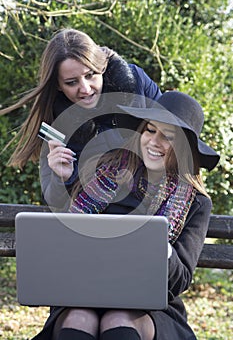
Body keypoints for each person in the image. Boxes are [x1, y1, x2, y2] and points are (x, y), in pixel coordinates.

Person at [31, 91, 220, 340]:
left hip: (150, 305)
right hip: (84, 290)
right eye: (150, 130)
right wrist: (61, 178)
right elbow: (69, 231)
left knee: (117, 318)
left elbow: (180, 279)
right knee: (79, 318)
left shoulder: (196, 202)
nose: (154, 141)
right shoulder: (108, 171)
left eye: (168, 137)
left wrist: (157, 244)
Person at [5, 28, 162, 210]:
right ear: (57, 85)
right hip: (97, 217)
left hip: (153, 202)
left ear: (101, 67)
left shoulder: (135, 81)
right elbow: (54, 203)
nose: (86, 89)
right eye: (72, 82)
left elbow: (175, 134)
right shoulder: (53, 123)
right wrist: (60, 178)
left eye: (90, 75)